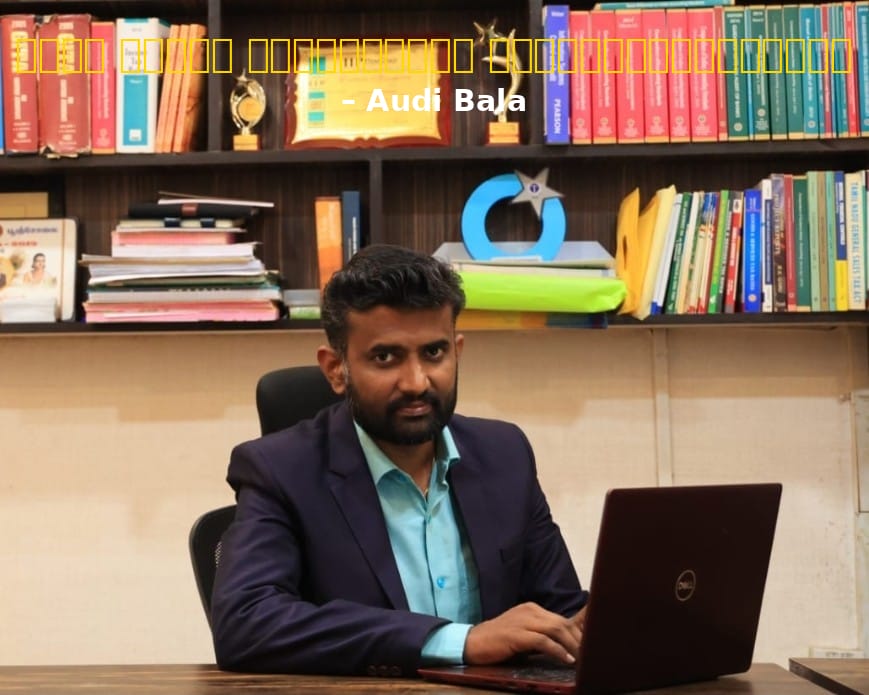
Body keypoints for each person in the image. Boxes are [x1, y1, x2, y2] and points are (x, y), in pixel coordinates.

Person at [211, 244, 588, 676]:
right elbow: (246, 624)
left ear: (457, 351)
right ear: (335, 369)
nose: (416, 382)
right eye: (385, 357)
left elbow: (559, 610)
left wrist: (611, 620)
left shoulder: (505, 454)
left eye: (434, 353)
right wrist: (460, 642)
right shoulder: (278, 470)